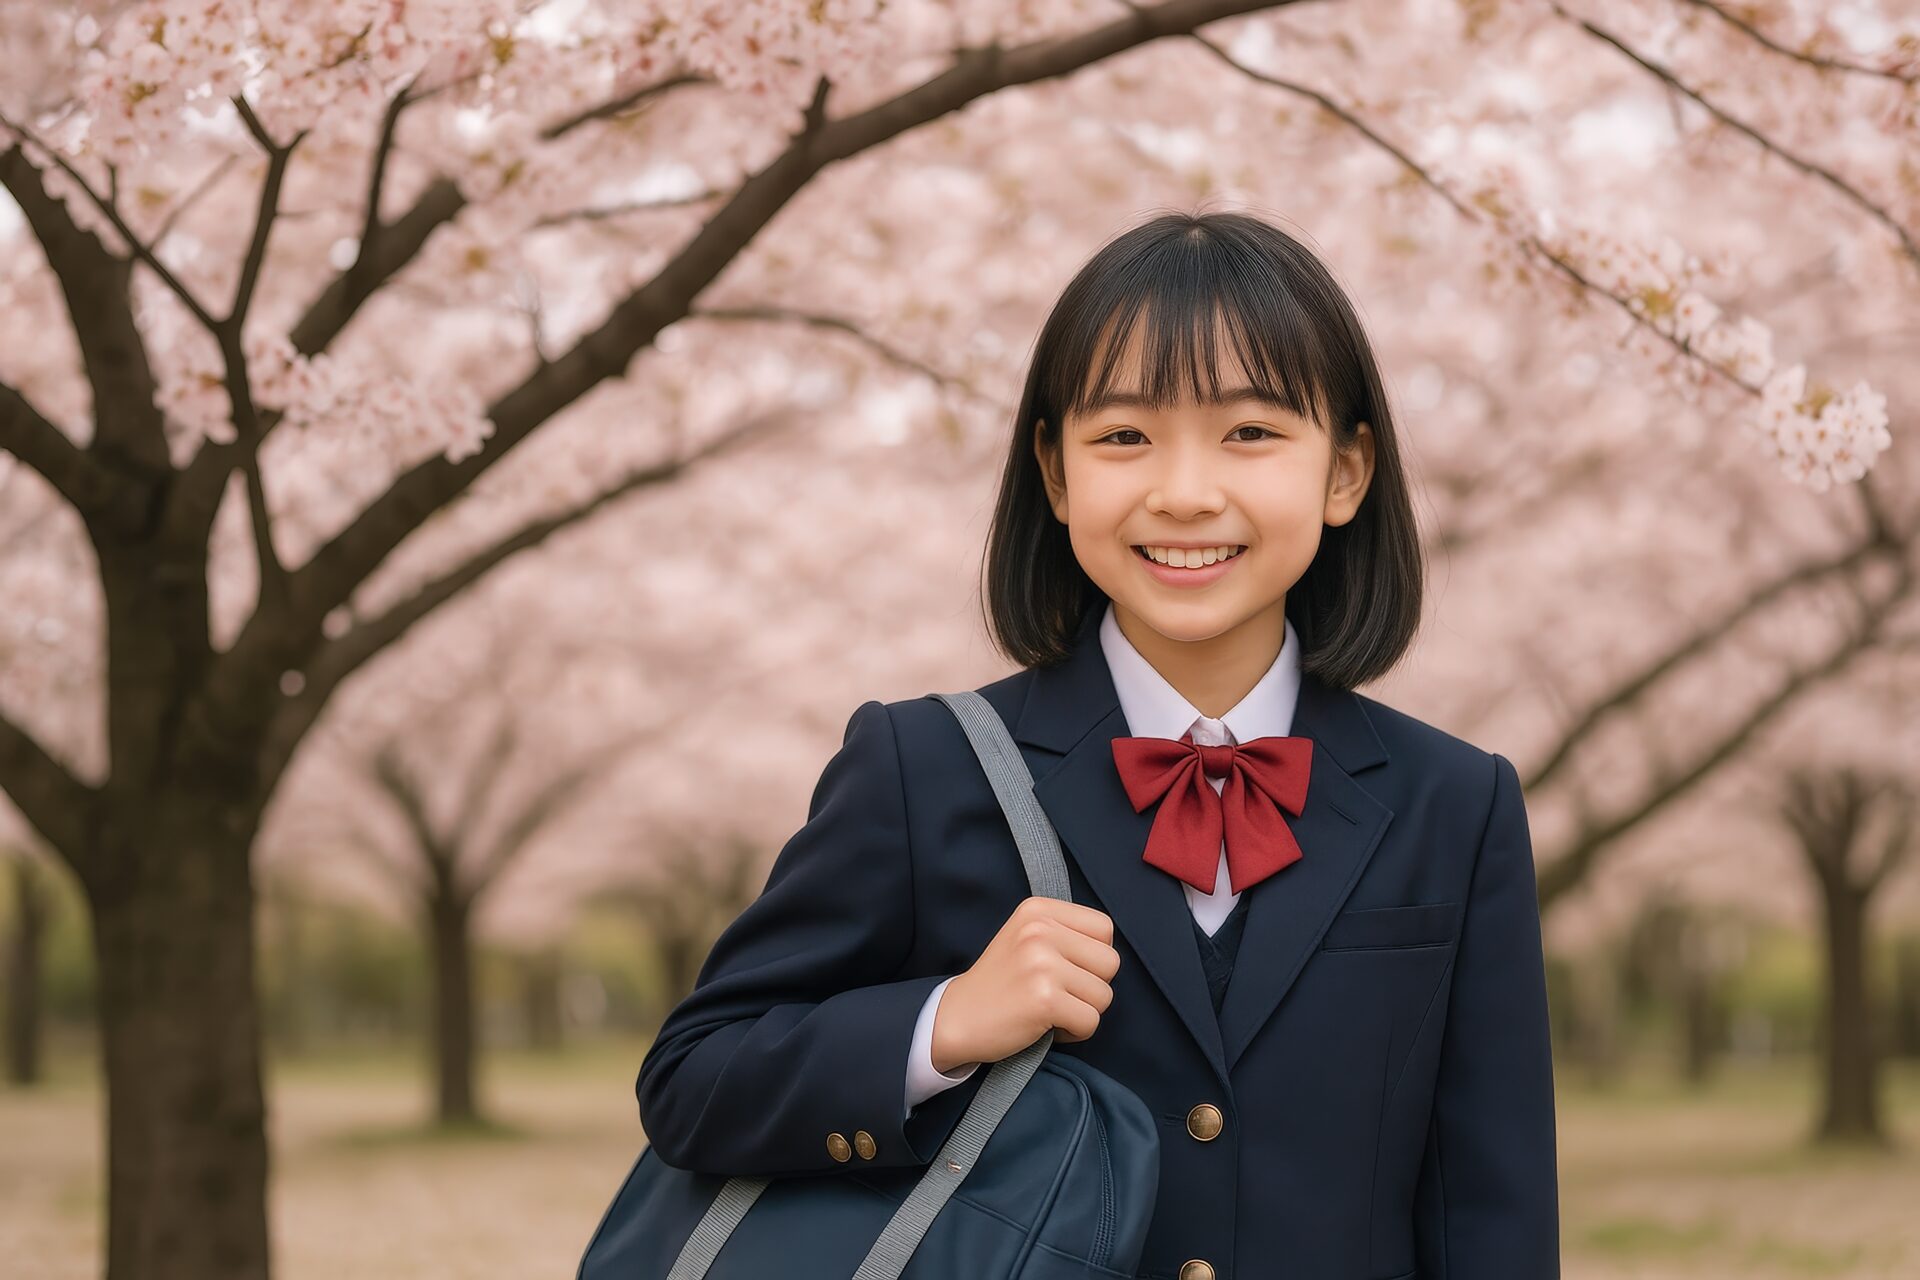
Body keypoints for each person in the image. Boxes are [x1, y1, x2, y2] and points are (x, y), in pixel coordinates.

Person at [635, 209, 1560, 1279]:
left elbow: (1494, 1215)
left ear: (1346, 471)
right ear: (1057, 471)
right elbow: (692, 1080)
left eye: (1250, 432)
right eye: (1124, 436)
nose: (1184, 491)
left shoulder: (1458, 801)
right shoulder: (920, 766)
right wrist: (943, 1021)